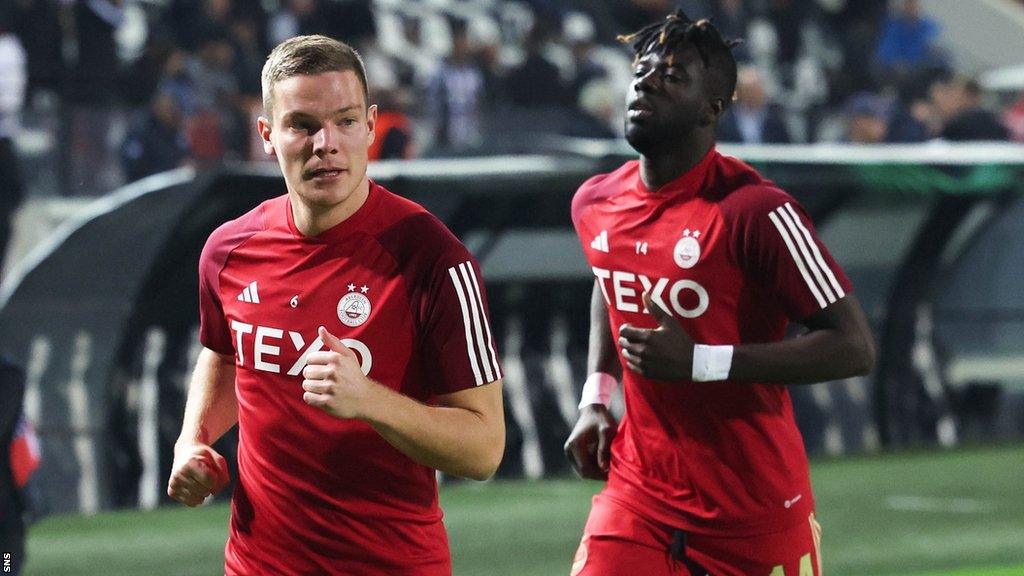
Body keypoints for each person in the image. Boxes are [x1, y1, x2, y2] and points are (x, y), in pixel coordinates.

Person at [166, 35, 505, 575]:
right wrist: (193, 442)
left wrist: (370, 400)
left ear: (371, 125)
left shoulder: (435, 260)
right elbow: (229, 355)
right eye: (302, 124)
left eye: (345, 121)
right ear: (267, 135)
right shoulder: (228, 251)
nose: (326, 143)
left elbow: (485, 448)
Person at [564, 11, 875, 576]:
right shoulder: (595, 201)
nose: (647, 81)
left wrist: (702, 362)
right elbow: (609, 282)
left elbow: (854, 346)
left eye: (674, 75)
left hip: (751, 509)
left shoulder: (757, 211)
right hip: (638, 494)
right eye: (644, 68)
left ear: (713, 108)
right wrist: (595, 396)